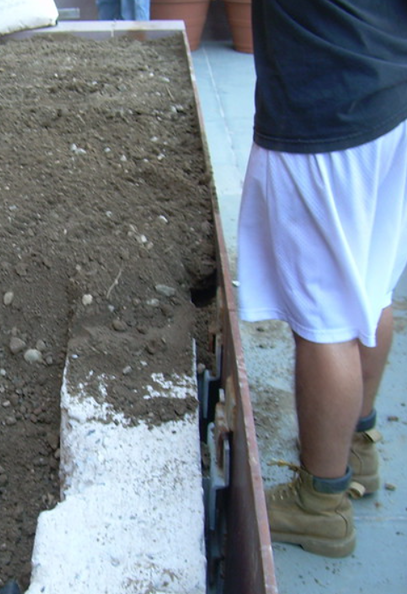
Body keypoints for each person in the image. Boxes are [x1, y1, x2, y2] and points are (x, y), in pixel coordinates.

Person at [237, 1, 407, 558]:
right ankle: (356, 444)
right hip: (388, 89)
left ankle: (320, 504)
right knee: (369, 287)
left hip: (324, 109)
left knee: (325, 321)